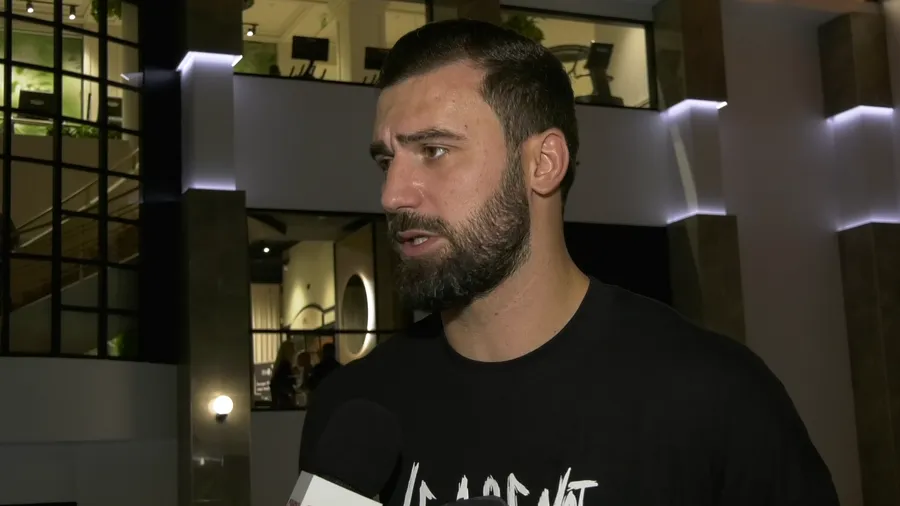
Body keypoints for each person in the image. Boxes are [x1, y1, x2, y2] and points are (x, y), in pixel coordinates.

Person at [299, 19, 839, 506]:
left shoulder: (714, 397)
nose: (393, 195)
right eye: (386, 161)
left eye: (434, 151)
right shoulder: (353, 410)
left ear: (543, 163)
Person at [270, 340, 298, 409]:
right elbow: (286, 385)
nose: (294, 352)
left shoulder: (280, 366)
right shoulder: (285, 366)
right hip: (284, 405)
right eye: (292, 349)